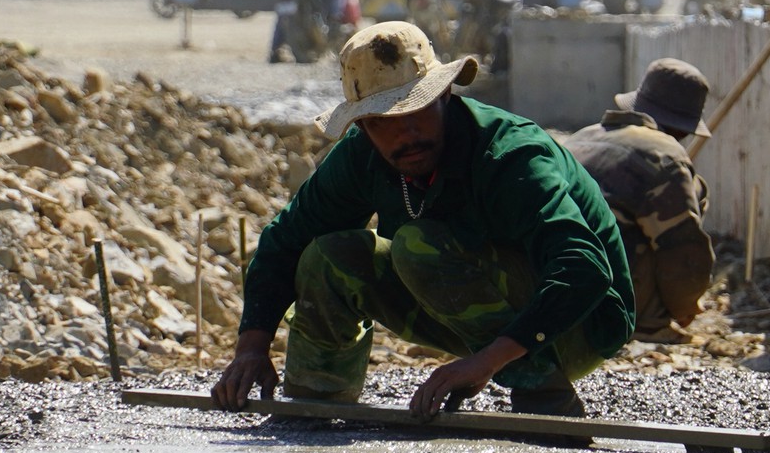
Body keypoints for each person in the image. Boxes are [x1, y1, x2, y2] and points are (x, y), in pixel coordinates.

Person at [213, 21, 635, 421]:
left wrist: (486, 362)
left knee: (416, 245)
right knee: (327, 256)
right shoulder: (361, 157)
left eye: (416, 112)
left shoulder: (510, 155)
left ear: (445, 95)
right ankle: (316, 399)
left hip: (578, 324)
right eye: (383, 124)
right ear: (363, 126)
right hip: (475, 310)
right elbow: (284, 241)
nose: (405, 135)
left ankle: (543, 391)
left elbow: (583, 268)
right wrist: (252, 346)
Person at [563, 58, 716, 342]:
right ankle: (645, 321)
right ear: (683, 130)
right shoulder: (665, 155)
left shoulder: (582, 137)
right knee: (694, 192)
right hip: (599, 293)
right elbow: (683, 250)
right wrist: (685, 306)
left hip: (541, 282)